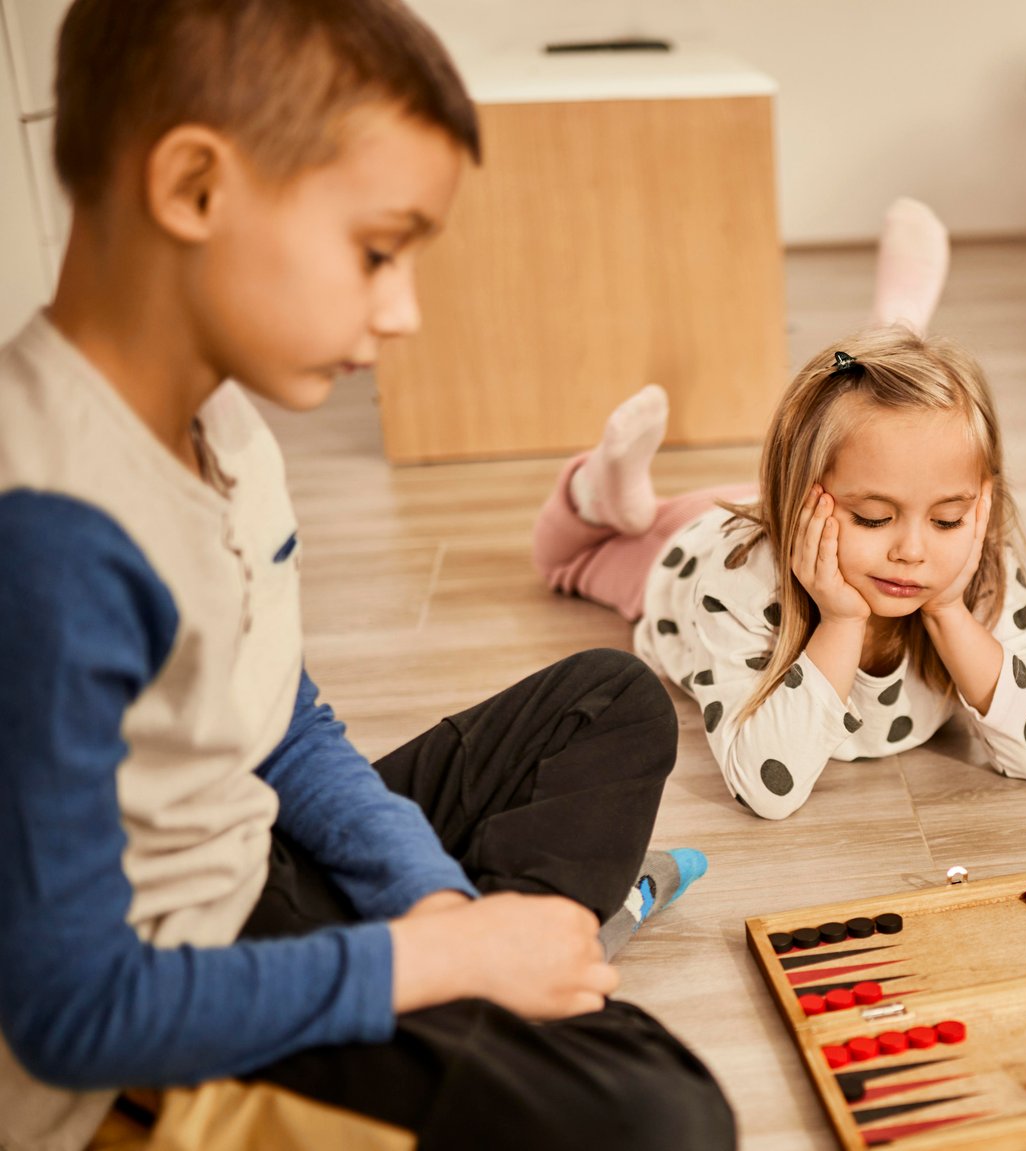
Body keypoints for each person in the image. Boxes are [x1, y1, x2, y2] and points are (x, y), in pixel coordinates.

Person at [0, 2, 733, 1148]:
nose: (402, 311)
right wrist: (429, 955)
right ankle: (505, 982)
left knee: (611, 696)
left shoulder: (221, 422)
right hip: (164, 1006)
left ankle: (498, 975)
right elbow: (74, 1009)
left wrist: (434, 904)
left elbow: (277, 724)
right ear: (195, 187)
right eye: (377, 251)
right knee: (666, 1116)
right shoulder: (50, 532)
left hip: (256, 859)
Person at [530, 200, 1026, 820]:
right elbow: (768, 789)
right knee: (569, 559)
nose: (914, 550)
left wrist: (950, 611)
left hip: (810, 490)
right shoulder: (739, 579)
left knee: (872, 439)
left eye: (947, 519)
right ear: (802, 497)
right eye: (874, 518)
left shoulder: (976, 566)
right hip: (688, 544)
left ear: (982, 504)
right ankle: (601, 489)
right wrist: (841, 623)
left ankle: (893, 332)